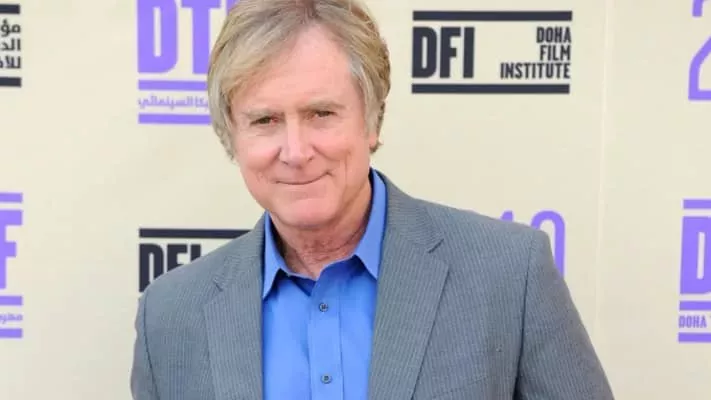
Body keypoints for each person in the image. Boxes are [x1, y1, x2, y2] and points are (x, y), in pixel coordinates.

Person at [130, 0, 615, 399]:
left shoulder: (509, 276)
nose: (296, 151)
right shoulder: (170, 316)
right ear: (231, 137)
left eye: (321, 113)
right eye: (265, 120)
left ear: (373, 121)